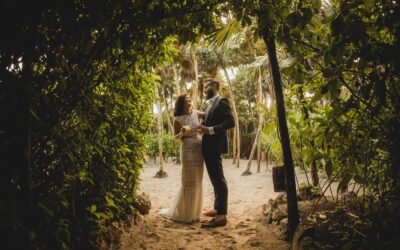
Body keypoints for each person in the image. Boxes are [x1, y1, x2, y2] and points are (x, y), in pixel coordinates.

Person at [160, 93, 205, 223]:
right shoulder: (178, 119)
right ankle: (185, 213)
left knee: (198, 180)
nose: (190, 100)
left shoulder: (196, 113)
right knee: (188, 181)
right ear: (182, 102)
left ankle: (195, 213)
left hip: (198, 147)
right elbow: (175, 138)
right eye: (187, 99)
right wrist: (182, 133)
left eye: (190, 98)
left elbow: (209, 114)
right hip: (187, 148)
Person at [198, 78, 235, 228]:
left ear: (214, 86)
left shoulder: (222, 101)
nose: (205, 89)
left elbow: (230, 122)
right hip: (208, 147)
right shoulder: (210, 104)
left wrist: (210, 130)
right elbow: (210, 120)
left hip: (215, 147)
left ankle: (221, 217)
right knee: (215, 180)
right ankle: (217, 209)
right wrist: (202, 120)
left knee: (219, 180)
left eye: (207, 86)